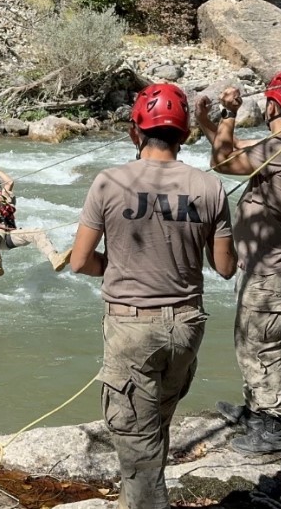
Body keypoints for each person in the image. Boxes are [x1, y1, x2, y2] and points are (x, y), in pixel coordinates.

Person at [70, 84, 237, 509]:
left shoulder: (108, 182)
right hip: (186, 327)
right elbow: (225, 267)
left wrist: (116, 267)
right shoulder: (210, 187)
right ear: (184, 136)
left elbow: (79, 261)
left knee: (137, 443)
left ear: (134, 133)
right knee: (156, 423)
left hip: (131, 329)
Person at [194, 71, 281, 458]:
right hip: (269, 264)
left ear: (271, 105)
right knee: (249, 340)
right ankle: (256, 412)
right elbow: (230, 147)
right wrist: (205, 122)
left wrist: (230, 113)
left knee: (262, 345)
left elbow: (222, 161)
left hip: (275, 268)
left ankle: (275, 432)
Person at [0, 164, 71, 277]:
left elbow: (9, 182)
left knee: (37, 232)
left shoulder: (2, 197)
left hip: (8, 234)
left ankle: (55, 258)